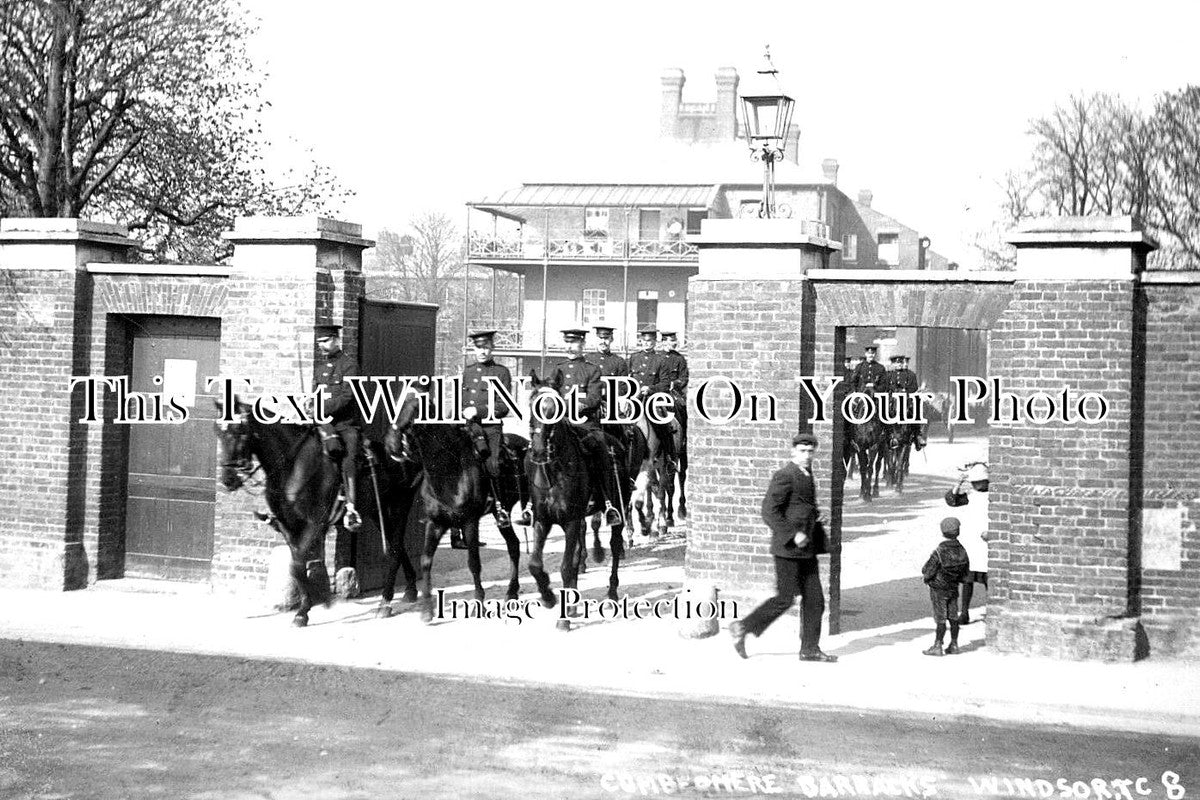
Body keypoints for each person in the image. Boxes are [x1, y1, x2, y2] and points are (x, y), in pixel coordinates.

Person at [729, 433, 837, 663]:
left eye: (810, 451)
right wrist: (792, 533)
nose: (807, 455)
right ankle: (742, 627)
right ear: (793, 452)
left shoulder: (806, 475)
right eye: (802, 451)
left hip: (807, 548)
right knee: (785, 598)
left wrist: (817, 517)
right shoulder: (785, 475)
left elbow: (799, 507)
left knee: (815, 600)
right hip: (787, 550)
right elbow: (769, 511)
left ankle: (810, 649)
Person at [547, 329, 624, 527]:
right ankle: (534, 503)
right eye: (567, 343)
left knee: (601, 452)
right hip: (562, 422)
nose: (570, 347)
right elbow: (549, 394)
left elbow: (595, 397)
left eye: (574, 344)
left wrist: (582, 405)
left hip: (586, 424)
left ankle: (607, 504)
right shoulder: (557, 369)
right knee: (538, 450)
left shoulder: (592, 370)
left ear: (582, 345)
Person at [461, 329, 521, 536]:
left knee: (492, 463)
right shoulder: (468, 371)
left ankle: (500, 507)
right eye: (478, 347)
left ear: (492, 348)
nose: (482, 351)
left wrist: (478, 411)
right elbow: (461, 400)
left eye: (486, 347)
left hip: (490, 428)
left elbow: (503, 406)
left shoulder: (501, 372)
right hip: (468, 427)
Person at [313, 324, 362, 531]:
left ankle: (351, 507)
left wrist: (322, 408)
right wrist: (310, 406)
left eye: (325, 341)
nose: (322, 346)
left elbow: (347, 396)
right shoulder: (319, 369)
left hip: (344, 424)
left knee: (349, 458)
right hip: (323, 423)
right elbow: (314, 394)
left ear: (336, 340)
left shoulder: (350, 366)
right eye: (319, 343)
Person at [921, 517, 971, 656]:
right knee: (953, 616)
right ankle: (954, 644)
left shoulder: (940, 550)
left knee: (940, 618)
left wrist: (927, 579)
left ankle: (938, 645)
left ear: (943, 532)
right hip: (953, 587)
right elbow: (965, 574)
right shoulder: (962, 550)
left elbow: (927, 569)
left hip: (938, 588)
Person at [626, 325, 672, 449]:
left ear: (655, 342)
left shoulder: (660, 360)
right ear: (641, 341)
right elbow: (626, 379)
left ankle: (669, 454)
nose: (647, 343)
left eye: (650, 341)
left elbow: (665, 384)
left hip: (651, 399)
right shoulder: (634, 358)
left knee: (662, 423)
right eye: (644, 341)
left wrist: (650, 389)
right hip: (634, 399)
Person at [588, 324, 628, 442]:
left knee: (620, 430)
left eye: (606, 338)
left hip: (610, 404)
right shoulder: (587, 359)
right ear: (596, 339)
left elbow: (623, 386)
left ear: (611, 339)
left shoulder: (619, 361)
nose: (603, 342)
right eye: (600, 338)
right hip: (591, 403)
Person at [658, 331, 689, 442]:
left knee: (680, 408)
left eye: (674, 341)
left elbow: (684, 378)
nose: (673, 343)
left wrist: (674, 384)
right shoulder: (657, 357)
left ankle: (683, 437)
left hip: (672, 392)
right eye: (670, 341)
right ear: (663, 342)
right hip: (658, 390)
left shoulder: (679, 359)